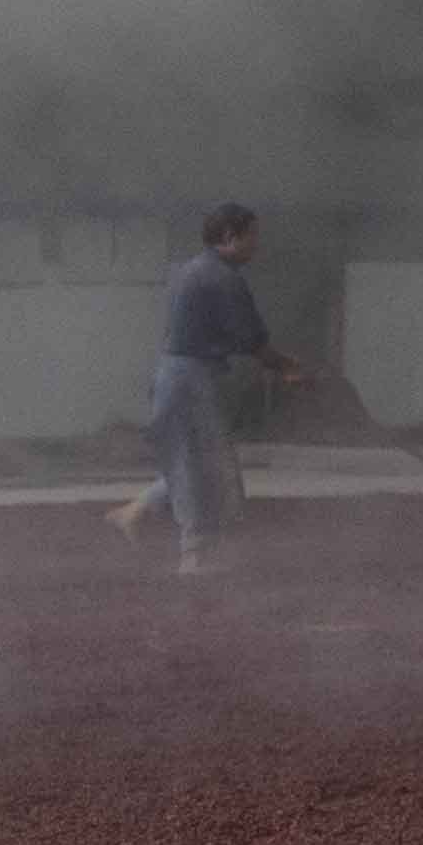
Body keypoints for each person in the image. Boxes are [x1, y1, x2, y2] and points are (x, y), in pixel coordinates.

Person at [119, 203, 304, 576]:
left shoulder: (189, 270)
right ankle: (194, 557)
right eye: (252, 236)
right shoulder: (221, 278)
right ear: (230, 237)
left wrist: (284, 366)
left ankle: (138, 512)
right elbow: (252, 341)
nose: (256, 244)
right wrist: (287, 367)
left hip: (178, 377)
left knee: (197, 462)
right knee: (200, 468)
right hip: (191, 381)